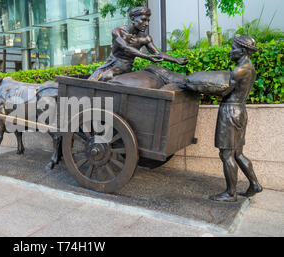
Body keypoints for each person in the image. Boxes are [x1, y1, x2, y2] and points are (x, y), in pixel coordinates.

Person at [181, 35, 263, 202]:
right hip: (240, 110)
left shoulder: (239, 70)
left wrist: (198, 87)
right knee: (238, 153)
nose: (230, 51)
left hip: (230, 111)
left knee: (226, 154)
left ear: (243, 50)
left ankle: (231, 194)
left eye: (233, 48)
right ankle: (255, 185)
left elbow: (223, 90)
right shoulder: (249, 67)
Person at [89, 6, 188, 82]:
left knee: (108, 76)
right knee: (90, 82)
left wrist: (176, 60)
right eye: (143, 20)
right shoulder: (118, 31)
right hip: (110, 64)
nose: (146, 24)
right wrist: (147, 56)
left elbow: (157, 54)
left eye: (148, 20)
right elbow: (126, 47)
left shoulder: (145, 38)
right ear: (132, 19)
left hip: (124, 67)